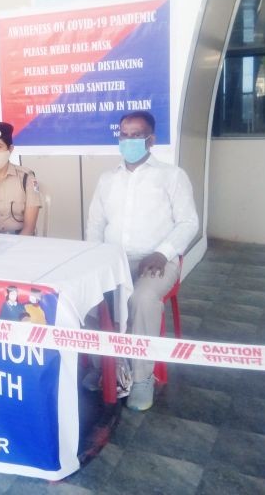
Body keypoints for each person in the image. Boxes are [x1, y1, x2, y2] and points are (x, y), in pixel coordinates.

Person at [86, 111, 198, 411]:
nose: (129, 140)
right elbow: (95, 224)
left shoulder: (172, 176)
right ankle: (104, 366)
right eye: (124, 134)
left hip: (158, 261)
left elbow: (189, 222)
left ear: (151, 140)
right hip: (114, 259)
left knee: (142, 300)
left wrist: (163, 252)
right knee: (87, 296)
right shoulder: (107, 179)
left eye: (136, 135)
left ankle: (142, 378)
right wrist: (94, 257)